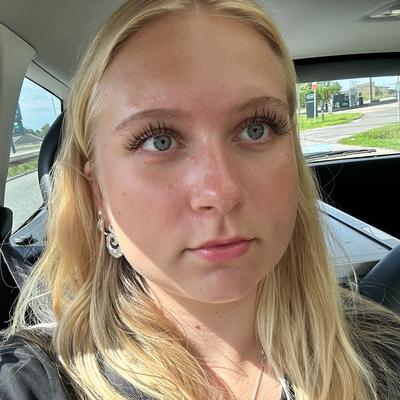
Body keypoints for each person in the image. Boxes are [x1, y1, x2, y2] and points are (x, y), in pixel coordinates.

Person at [1, 1, 400, 399]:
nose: (221, 192)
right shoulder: (30, 382)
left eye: (257, 129)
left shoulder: (384, 354)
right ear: (97, 193)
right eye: (159, 141)